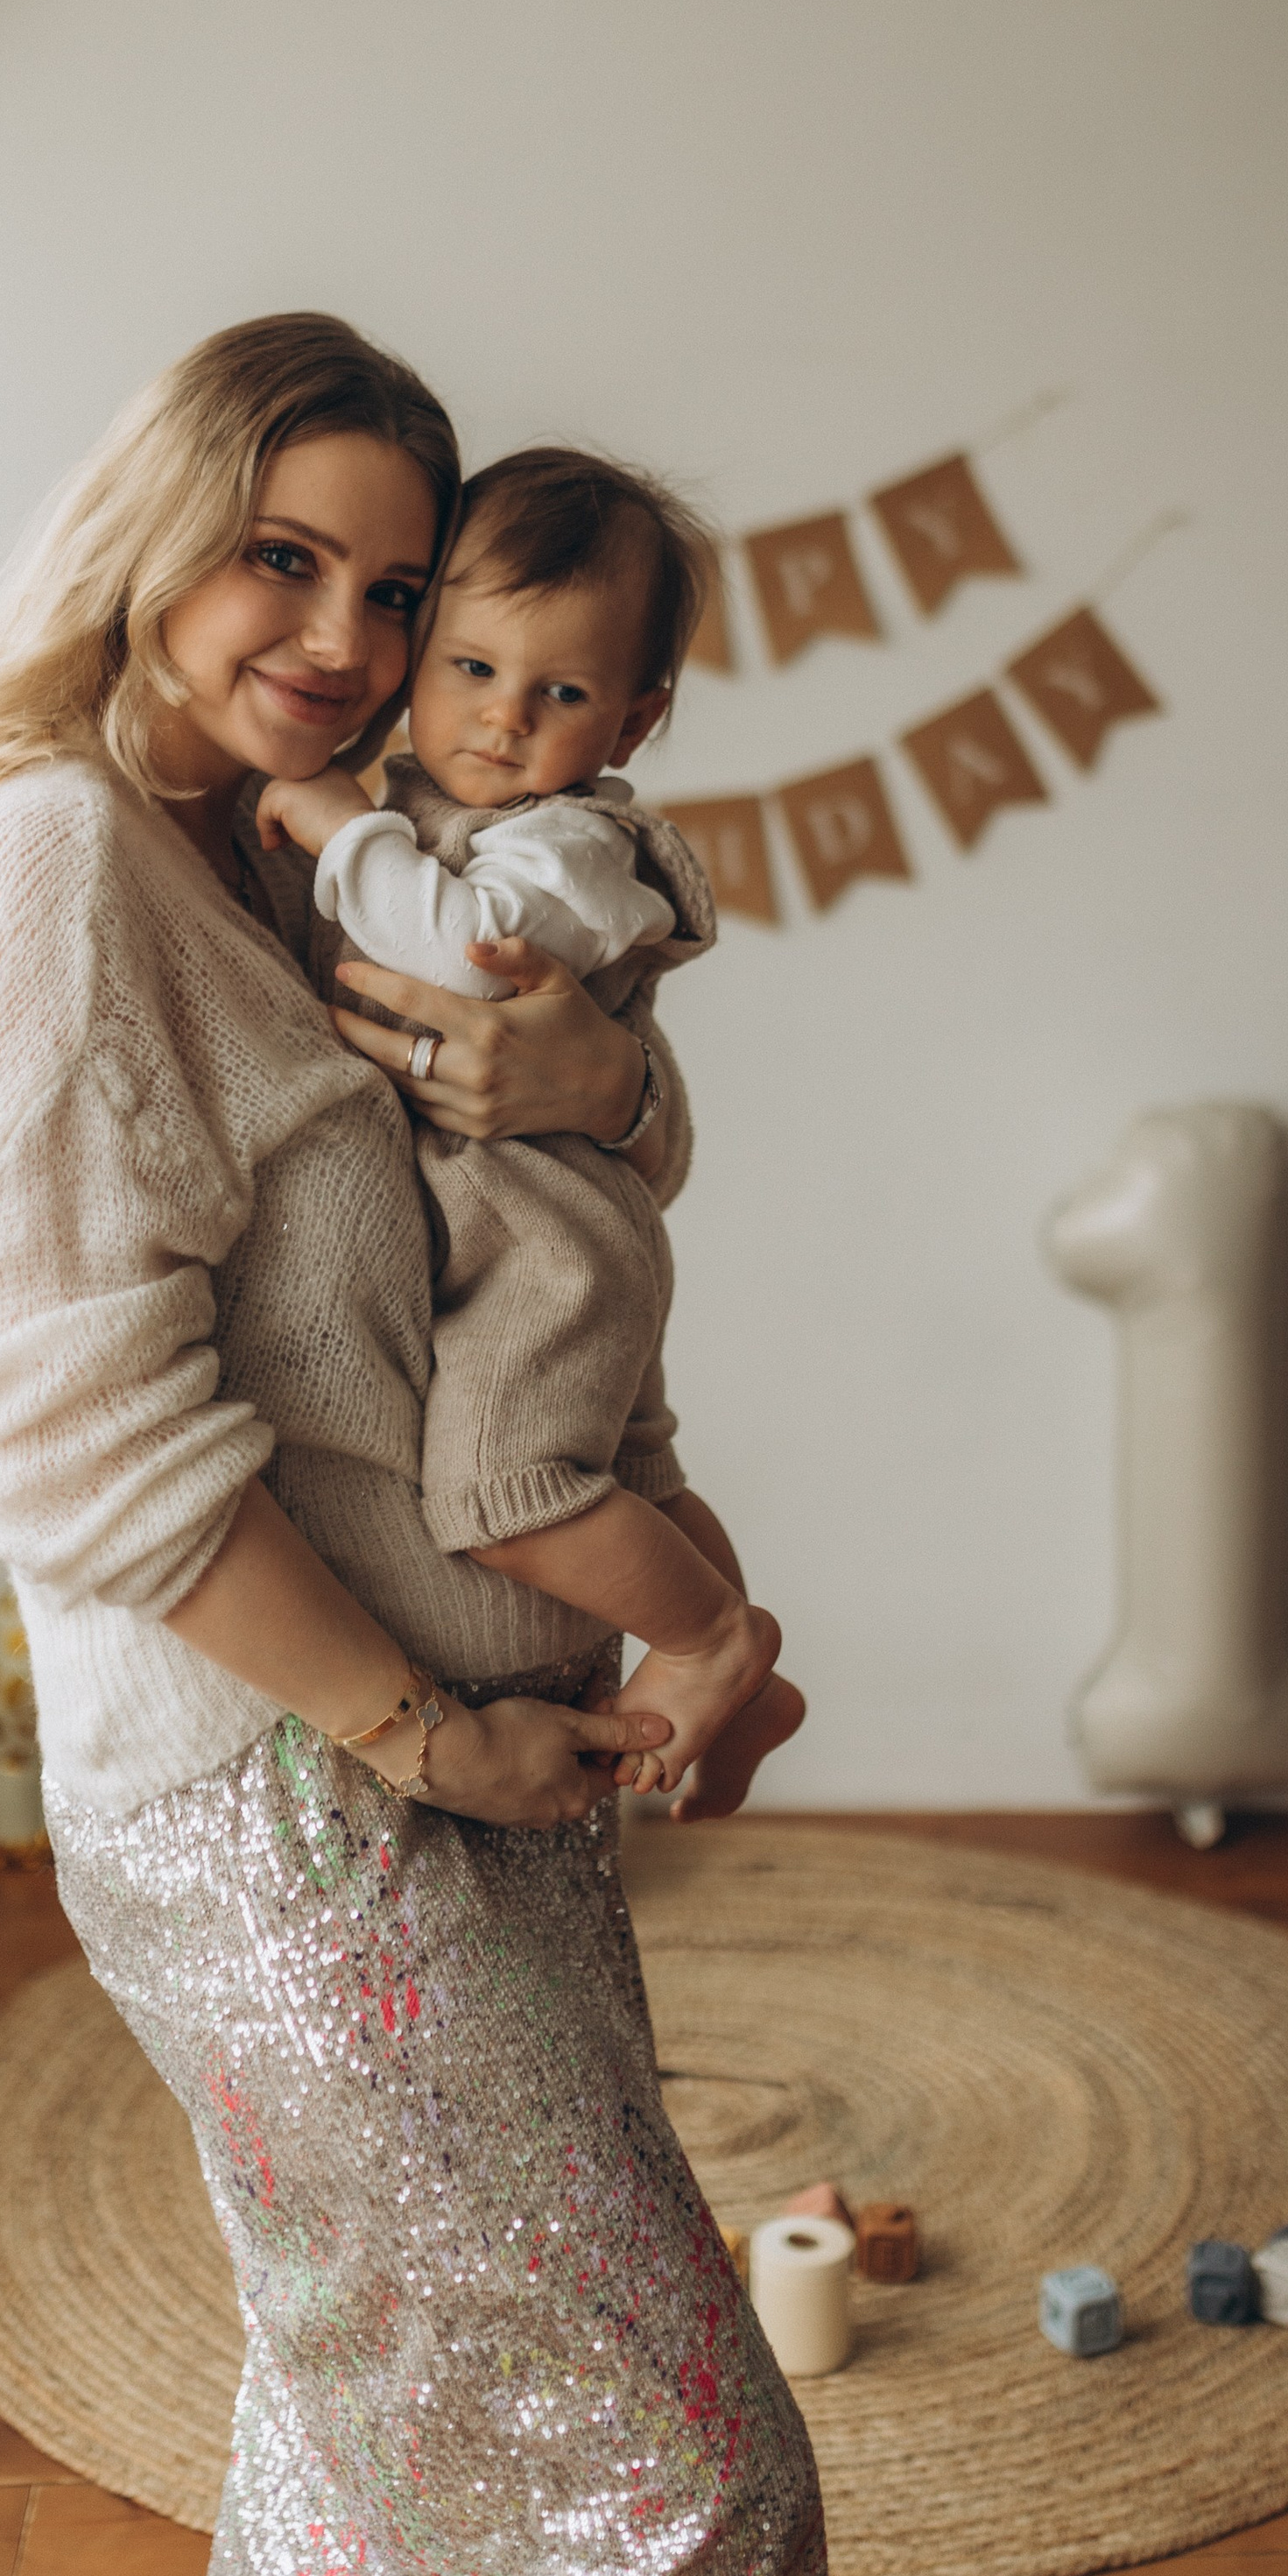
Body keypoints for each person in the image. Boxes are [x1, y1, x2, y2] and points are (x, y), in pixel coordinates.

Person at [0, 315, 828, 2576]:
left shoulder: (278, 851)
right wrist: (422, 1729)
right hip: (296, 1804)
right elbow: (58, 1424)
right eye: (285, 559)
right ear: (156, 534)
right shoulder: (56, 857)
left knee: (392, 2430)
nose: (350, 644)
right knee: (679, 2471)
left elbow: (531, 1163)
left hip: (454, 1778)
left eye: (397, 592)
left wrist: (608, 1100)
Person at [257, 445, 807, 1820]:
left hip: (545, 1237)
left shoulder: (564, 849)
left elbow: (455, 944)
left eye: (559, 693)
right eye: (472, 669)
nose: (503, 722)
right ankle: (752, 1692)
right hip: (539, 1231)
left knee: (506, 1492)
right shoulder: (443, 802)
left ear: (631, 723)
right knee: (635, 1474)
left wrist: (339, 825)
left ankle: (710, 1642)